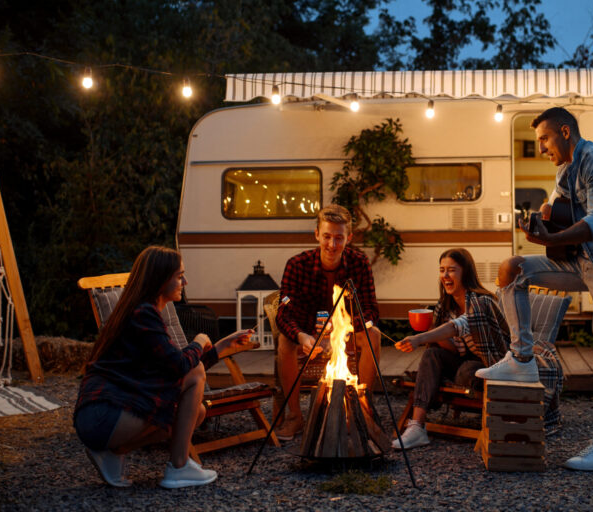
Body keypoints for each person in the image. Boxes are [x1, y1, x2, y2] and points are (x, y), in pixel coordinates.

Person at [475, 106, 593, 472]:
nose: (541, 147)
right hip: (584, 263)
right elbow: (558, 203)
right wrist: (545, 214)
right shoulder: (565, 168)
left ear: (565, 131)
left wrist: (554, 235)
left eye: (544, 138)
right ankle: (522, 360)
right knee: (513, 270)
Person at [74, 245, 253, 488]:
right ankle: (178, 467)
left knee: (196, 413)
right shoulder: (142, 314)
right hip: (103, 414)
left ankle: (113, 453)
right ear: (160, 280)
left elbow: (175, 367)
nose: (185, 282)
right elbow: (183, 366)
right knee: (194, 380)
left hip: (106, 415)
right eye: (179, 276)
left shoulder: (143, 312)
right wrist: (199, 341)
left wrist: (221, 346)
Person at [274, 204, 381, 441]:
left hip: (347, 332)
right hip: (308, 334)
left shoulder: (359, 263)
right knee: (284, 342)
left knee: (374, 334)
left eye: (339, 238)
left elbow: (372, 310)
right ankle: (294, 417)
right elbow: (283, 313)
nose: (332, 245)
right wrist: (302, 336)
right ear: (316, 234)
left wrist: (344, 329)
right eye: (327, 237)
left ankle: (363, 409)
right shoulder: (297, 265)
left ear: (349, 238)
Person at [390, 248, 510, 450]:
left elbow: (457, 326)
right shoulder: (445, 306)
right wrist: (429, 329)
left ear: (466, 273)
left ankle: (428, 399)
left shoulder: (482, 302)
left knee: (465, 372)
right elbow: (455, 349)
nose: (445, 275)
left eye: (451, 270)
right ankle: (417, 426)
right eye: (442, 270)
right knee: (432, 354)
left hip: (491, 364)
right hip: (464, 363)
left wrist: (420, 338)